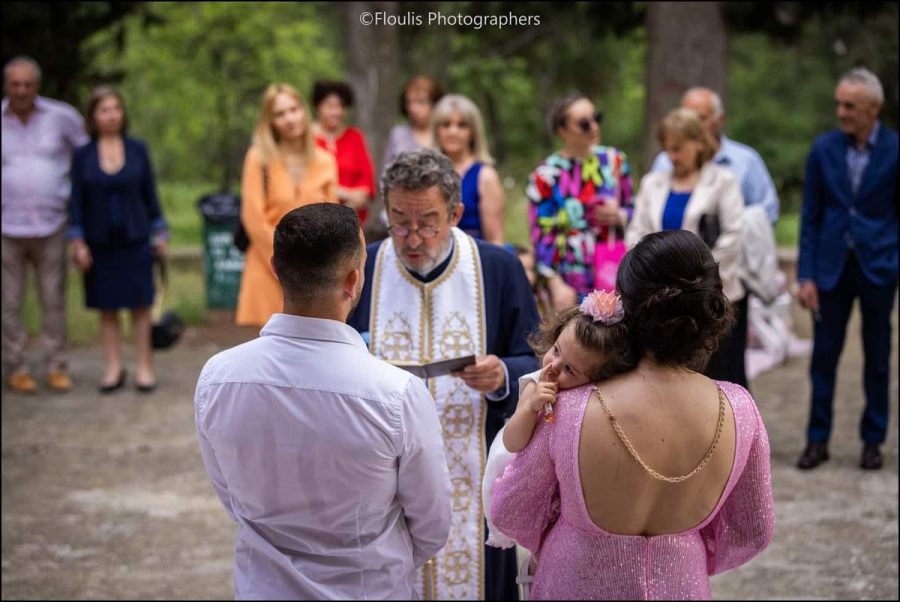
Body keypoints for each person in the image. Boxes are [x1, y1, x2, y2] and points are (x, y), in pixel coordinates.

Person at [491, 230, 775, 599]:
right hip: (680, 585)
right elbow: (753, 530)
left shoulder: (569, 408)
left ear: (627, 307)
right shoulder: (740, 409)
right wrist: (683, 550)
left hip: (576, 580)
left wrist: (556, 540)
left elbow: (511, 510)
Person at [196, 203, 452, 599]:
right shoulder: (396, 394)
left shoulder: (219, 377)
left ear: (275, 269)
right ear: (353, 280)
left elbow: (232, 498)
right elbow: (432, 524)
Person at [347, 148, 541, 600]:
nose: (413, 238)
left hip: (473, 467)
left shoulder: (497, 268)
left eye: (428, 222)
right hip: (381, 478)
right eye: (399, 222)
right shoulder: (363, 268)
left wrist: (502, 375)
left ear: (455, 213)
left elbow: (538, 362)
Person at [796, 67, 898, 471]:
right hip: (829, 269)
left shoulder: (895, 148)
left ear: (873, 108)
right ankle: (816, 440)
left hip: (878, 268)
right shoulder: (823, 149)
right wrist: (806, 275)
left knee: (878, 358)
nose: (841, 112)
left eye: (850, 106)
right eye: (839, 104)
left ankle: (873, 441)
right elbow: (810, 215)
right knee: (823, 357)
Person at [482, 290, 635, 551]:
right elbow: (512, 442)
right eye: (556, 351)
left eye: (569, 369)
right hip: (518, 469)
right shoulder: (536, 384)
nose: (553, 366)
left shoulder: (590, 399)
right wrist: (530, 407)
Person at [627, 107, 747, 388]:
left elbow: (733, 234)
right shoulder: (652, 183)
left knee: (718, 377)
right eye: (667, 149)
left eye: (678, 149)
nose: (671, 156)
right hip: (661, 300)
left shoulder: (723, 181)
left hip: (712, 297)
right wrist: (650, 275)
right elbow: (636, 232)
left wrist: (696, 277)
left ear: (699, 143)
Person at [68, 86, 169, 392]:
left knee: (141, 305)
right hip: (99, 243)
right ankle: (113, 368)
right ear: (93, 116)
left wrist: (160, 232)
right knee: (107, 307)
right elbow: (76, 202)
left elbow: (150, 194)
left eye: (116, 109)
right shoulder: (82, 155)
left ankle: (145, 368)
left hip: (136, 239)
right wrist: (78, 241)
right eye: (104, 110)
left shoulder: (138, 149)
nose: (111, 115)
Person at [2, 56, 88, 393]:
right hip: (7, 228)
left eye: (28, 84)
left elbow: (86, 158)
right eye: (15, 84)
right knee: (9, 302)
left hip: (52, 225)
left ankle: (56, 365)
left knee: (53, 300)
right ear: (6, 86)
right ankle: (16, 366)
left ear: (37, 86)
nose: (22, 90)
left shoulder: (62, 116)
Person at [235, 83, 337, 328]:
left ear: (304, 111)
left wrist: (317, 266)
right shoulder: (258, 158)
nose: (290, 119)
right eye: (280, 114)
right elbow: (253, 218)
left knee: (311, 341)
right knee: (269, 345)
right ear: (270, 121)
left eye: (294, 109)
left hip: (313, 271)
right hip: (268, 265)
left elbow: (332, 219)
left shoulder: (325, 161)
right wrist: (284, 264)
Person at [527, 92, 634, 309]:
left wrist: (620, 216)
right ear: (562, 130)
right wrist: (555, 284)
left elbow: (633, 208)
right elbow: (541, 236)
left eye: (597, 118)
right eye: (584, 123)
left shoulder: (614, 161)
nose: (594, 127)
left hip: (611, 267)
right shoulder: (546, 175)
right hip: (568, 277)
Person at [650, 86, 780, 224]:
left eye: (701, 118)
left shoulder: (745, 161)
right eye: (687, 119)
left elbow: (767, 213)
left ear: (720, 120)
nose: (694, 126)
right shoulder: (664, 161)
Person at [432, 94, 505, 244]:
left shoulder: (485, 175)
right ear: (436, 130)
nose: (453, 131)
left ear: (473, 131)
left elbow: (495, 240)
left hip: (475, 254)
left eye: (461, 125)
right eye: (446, 125)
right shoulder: (426, 172)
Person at [311, 80, 376, 224]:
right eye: (330, 106)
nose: (336, 112)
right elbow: (309, 184)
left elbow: (368, 182)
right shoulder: (307, 139)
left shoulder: (355, 137)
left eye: (341, 106)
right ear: (317, 106)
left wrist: (341, 194)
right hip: (314, 220)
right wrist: (347, 194)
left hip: (353, 221)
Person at [381, 74, 444, 174]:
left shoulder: (444, 132)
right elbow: (385, 173)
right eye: (409, 102)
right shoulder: (398, 134)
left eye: (421, 102)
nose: (413, 109)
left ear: (435, 104)